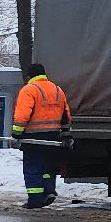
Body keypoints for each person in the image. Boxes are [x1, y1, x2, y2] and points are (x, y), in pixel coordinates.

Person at [12, 63, 70, 209]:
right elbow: (66, 114)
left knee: (32, 168)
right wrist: (65, 133)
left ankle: (35, 200)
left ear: (30, 76)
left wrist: (17, 133)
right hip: (53, 136)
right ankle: (48, 191)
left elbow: (22, 114)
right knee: (47, 167)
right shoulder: (57, 90)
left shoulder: (29, 90)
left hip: (33, 137)